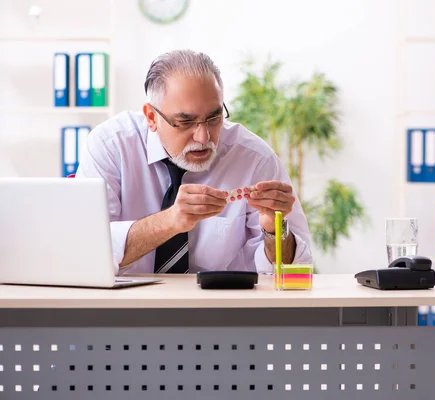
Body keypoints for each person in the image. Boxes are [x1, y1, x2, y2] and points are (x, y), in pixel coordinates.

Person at [76, 49, 313, 274]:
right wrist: (171, 221)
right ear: (151, 117)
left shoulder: (254, 159)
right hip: (121, 309)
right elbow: (86, 251)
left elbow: (298, 269)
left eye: (214, 117)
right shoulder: (110, 146)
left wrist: (275, 231)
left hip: (222, 310)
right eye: (185, 122)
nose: (203, 137)